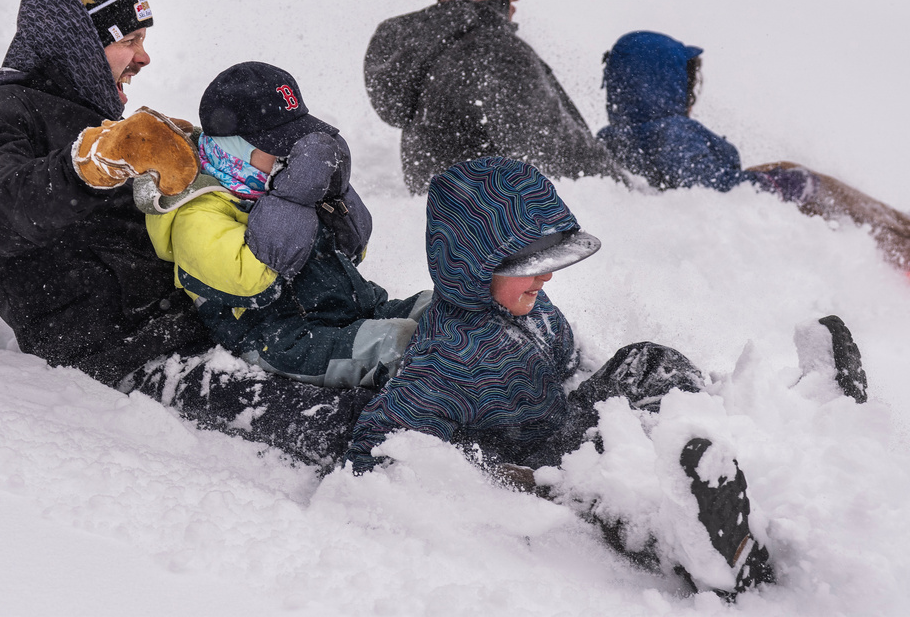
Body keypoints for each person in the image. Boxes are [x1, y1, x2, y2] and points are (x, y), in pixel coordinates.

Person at [0, 0, 387, 467]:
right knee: (336, 422)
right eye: (131, 39)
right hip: (133, 355)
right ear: (73, 40)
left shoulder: (84, 114)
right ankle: (442, 474)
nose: (145, 56)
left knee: (370, 351)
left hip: (206, 320)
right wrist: (91, 162)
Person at [344, 157, 867, 597]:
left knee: (646, 358)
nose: (547, 275)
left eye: (551, 258)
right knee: (605, 487)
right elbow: (377, 446)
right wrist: (487, 474)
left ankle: (781, 410)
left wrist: (614, 391)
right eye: (532, 262)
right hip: (544, 466)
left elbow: (569, 363)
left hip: (567, 416)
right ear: (476, 263)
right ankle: (702, 545)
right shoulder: (444, 362)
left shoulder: (529, 305)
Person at [134, 61, 431, 390]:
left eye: (297, 140)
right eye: (279, 145)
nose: (292, 154)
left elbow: (351, 251)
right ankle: (459, 380)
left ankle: (481, 339)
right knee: (398, 344)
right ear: (235, 148)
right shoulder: (197, 215)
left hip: (346, 307)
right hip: (284, 340)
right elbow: (253, 282)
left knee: (438, 307)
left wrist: (336, 193)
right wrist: (293, 198)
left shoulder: (270, 185)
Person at [364, 0, 623, 195]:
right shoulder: (491, 53)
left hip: (461, 235)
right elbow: (572, 168)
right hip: (512, 237)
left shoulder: (436, 51)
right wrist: (635, 197)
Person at [598, 30, 910, 271]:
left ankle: (897, 228)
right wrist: (781, 184)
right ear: (668, 86)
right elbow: (707, 189)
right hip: (723, 228)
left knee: (785, 168)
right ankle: (899, 242)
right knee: (810, 183)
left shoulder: (614, 138)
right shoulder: (672, 135)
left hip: (702, 218)